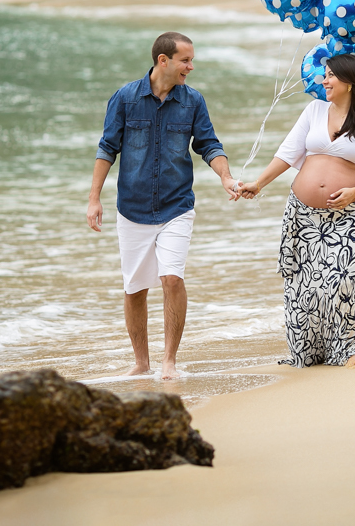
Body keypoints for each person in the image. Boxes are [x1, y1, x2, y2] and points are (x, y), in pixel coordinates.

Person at [87, 31, 240, 380]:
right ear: (163, 60)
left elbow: (209, 145)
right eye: (186, 60)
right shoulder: (125, 98)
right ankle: (142, 362)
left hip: (176, 206)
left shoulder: (193, 101)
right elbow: (107, 149)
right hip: (132, 209)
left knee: (172, 278)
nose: (191, 67)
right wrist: (94, 198)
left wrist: (226, 177)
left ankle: (169, 361)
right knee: (135, 288)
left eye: (191, 60)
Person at [240, 53, 355, 367]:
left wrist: (353, 193)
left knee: (345, 280)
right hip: (303, 214)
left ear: (350, 82)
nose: (324, 81)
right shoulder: (313, 110)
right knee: (303, 284)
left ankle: (347, 352)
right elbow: (288, 152)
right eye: (324, 75)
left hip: (350, 215)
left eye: (330, 76)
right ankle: (306, 355)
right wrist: (259, 183)